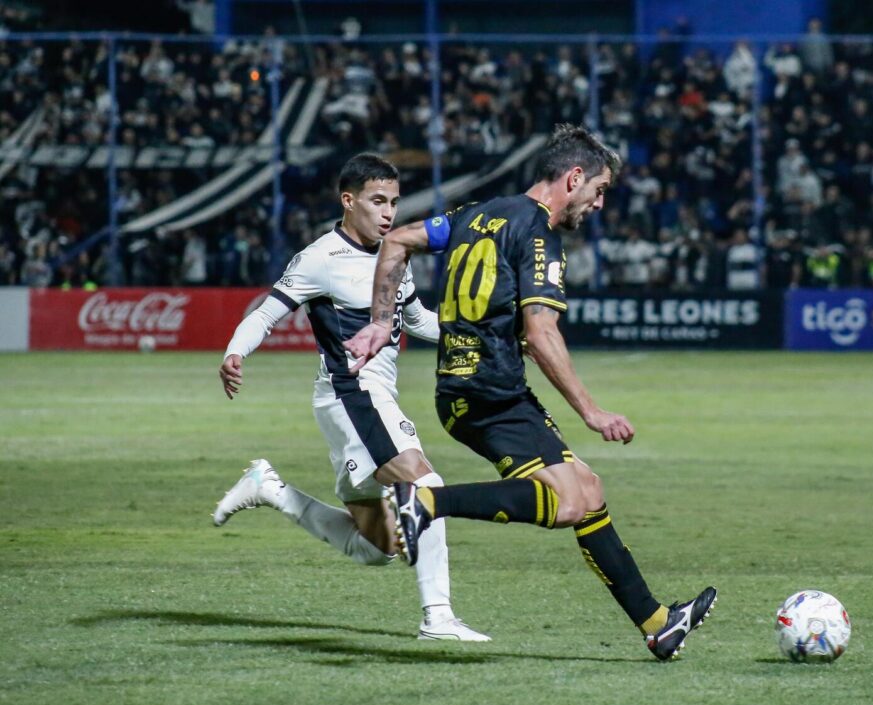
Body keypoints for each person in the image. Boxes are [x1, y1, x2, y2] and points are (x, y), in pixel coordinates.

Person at [344, 125, 716, 661]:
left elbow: (398, 240)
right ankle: (424, 502)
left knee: (587, 490)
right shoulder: (540, 234)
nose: (599, 204)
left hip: (467, 389)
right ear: (574, 177)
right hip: (492, 393)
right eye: (599, 190)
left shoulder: (479, 214)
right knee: (566, 502)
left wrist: (383, 321)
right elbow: (541, 334)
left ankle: (659, 624)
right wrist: (591, 411)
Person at [213, 153, 489, 642]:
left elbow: (415, 320)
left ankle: (270, 489)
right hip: (353, 395)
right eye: (377, 201)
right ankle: (439, 618)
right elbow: (267, 313)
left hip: (358, 402)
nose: (388, 212)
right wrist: (236, 351)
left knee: (379, 548)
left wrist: (478, 334)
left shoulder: (394, 254)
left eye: (394, 202)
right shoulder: (322, 258)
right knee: (426, 484)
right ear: (348, 200)